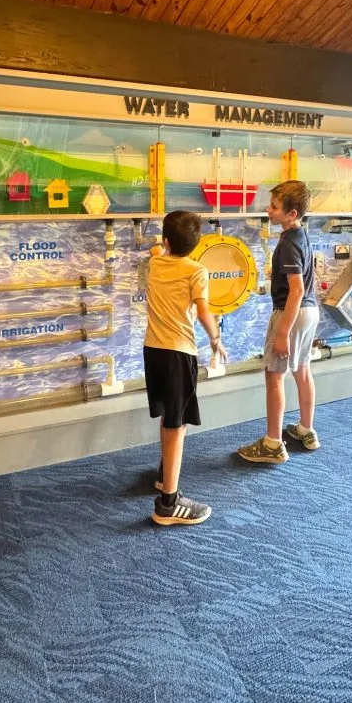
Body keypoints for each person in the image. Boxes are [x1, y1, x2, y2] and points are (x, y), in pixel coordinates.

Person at [144, 210, 227, 526]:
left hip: (152, 350)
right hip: (179, 354)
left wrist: (162, 247)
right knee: (177, 425)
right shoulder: (197, 271)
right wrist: (216, 339)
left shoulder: (155, 262)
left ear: (165, 241)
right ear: (196, 245)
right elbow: (204, 312)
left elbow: (156, 250)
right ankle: (168, 503)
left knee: (169, 414)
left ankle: (165, 474)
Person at [237, 180, 320, 464]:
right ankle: (306, 430)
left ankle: (273, 443)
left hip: (292, 313)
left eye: (274, 207)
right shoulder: (302, 237)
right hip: (310, 311)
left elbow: (296, 289)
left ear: (292, 213)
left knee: (274, 376)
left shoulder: (287, 243)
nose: (268, 211)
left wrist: (283, 331)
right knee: (303, 370)